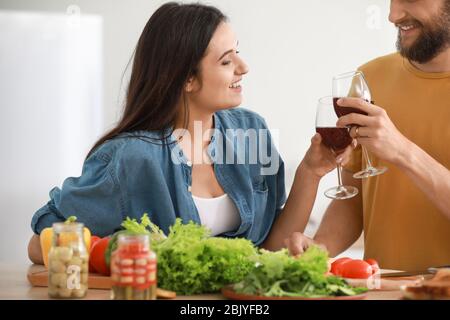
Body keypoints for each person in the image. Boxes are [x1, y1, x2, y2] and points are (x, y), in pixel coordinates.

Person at [28, 2, 354, 264]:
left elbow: (271, 249)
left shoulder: (250, 129)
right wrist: (118, 250)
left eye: (237, 52)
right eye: (227, 61)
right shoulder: (131, 157)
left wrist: (311, 172)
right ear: (187, 80)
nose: (244, 67)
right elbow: (39, 243)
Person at [291, 0, 450, 271]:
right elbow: (356, 200)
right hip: (380, 288)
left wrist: (401, 151)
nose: (393, 15)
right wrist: (319, 249)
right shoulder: (370, 78)